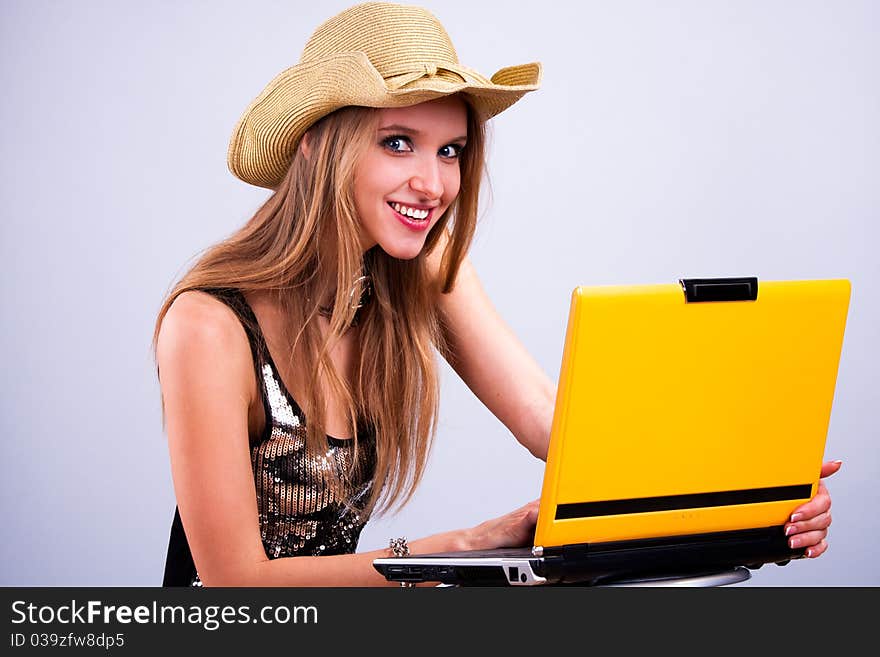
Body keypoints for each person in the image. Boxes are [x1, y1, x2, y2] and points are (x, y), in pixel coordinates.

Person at [154, 1, 840, 587]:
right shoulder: (210, 324)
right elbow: (235, 579)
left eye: (450, 151)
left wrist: (755, 496)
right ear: (313, 145)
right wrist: (465, 546)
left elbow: (559, 424)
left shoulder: (422, 268)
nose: (433, 183)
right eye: (399, 143)